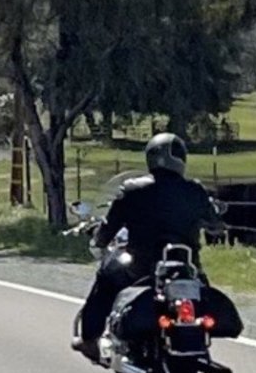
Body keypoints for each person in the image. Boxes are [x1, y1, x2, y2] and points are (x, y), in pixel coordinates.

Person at [73, 133, 222, 360]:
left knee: (106, 277)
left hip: (141, 267)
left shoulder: (133, 190)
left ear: (151, 157)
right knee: (202, 287)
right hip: (186, 266)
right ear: (181, 159)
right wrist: (212, 223)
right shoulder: (195, 191)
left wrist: (99, 240)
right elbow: (215, 224)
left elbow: (110, 224)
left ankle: (90, 339)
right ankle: (199, 338)